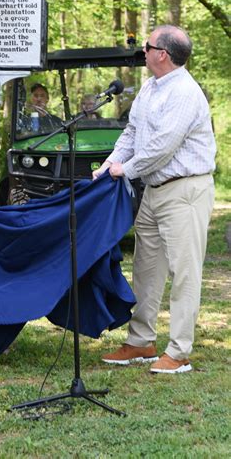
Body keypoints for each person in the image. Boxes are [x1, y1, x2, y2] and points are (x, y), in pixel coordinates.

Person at [93, 25, 215, 374]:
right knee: (147, 270)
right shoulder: (150, 87)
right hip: (154, 192)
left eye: (147, 46)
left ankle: (178, 352)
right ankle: (141, 342)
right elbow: (132, 133)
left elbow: (161, 148)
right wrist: (106, 167)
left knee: (184, 273)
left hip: (185, 191)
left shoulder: (185, 93)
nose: (142, 51)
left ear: (162, 53)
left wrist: (125, 170)